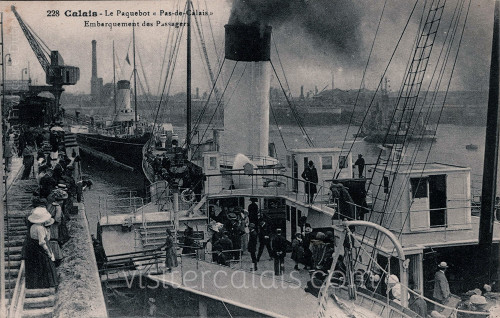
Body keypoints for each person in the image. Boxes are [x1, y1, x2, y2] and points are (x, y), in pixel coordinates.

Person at [23, 207, 58, 289]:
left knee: (35, 266)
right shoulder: (41, 228)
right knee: (45, 264)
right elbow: (42, 242)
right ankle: (46, 284)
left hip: (33, 249)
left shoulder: (33, 226)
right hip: (40, 249)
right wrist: (48, 252)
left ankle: (34, 284)